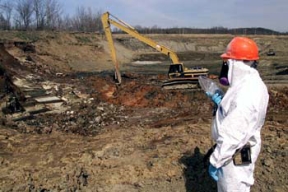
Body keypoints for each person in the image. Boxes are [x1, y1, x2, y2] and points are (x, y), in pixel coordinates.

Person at [206, 36, 269, 192]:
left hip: (233, 158)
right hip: (234, 153)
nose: (225, 66)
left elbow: (233, 133)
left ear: (235, 63)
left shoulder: (247, 94)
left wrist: (215, 161)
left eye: (227, 62)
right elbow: (237, 117)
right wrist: (221, 105)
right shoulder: (247, 85)